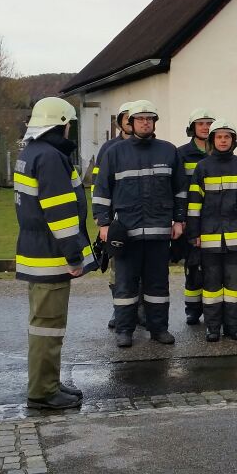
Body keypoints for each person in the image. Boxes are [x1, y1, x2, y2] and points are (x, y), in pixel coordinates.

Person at [14, 97, 94, 409]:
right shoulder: (50, 157)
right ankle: (43, 392)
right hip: (51, 255)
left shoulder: (32, 152)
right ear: (62, 124)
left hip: (37, 251)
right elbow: (60, 214)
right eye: (69, 123)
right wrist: (74, 256)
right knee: (48, 326)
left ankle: (48, 381)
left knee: (45, 324)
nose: (70, 128)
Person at [94, 100, 180, 346]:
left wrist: (179, 220)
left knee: (158, 285)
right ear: (130, 123)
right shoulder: (114, 153)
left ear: (154, 123)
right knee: (125, 285)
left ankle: (159, 329)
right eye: (140, 119)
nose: (145, 123)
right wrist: (103, 224)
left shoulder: (168, 151)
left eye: (149, 119)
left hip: (159, 232)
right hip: (126, 233)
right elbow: (102, 191)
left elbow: (180, 190)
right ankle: (124, 330)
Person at [186, 120, 237, 342]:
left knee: (234, 285)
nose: (223, 140)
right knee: (212, 285)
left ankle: (233, 327)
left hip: (236, 235)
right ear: (212, 140)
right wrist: (194, 234)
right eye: (219, 137)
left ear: (233, 140)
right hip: (209, 237)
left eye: (227, 137)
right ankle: (213, 328)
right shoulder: (202, 167)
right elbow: (194, 204)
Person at [94, 101, 138, 332]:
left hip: (143, 218)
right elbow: (99, 186)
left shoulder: (151, 146)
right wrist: (102, 219)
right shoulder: (108, 149)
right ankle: (119, 309)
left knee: (143, 268)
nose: (130, 121)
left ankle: (141, 310)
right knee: (117, 269)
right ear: (120, 121)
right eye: (126, 117)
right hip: (116, 221)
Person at [176, 108, 215, 326]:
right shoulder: (181, 154)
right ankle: (193, 310)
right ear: (192, 128)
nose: (205, 127)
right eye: (201, 123)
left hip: (216, 219)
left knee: (214, 267)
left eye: (209, 123)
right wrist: (180, 218)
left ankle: (212, 309)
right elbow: (179, 188)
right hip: (192, 219)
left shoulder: (221, 151)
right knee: (193, 267)